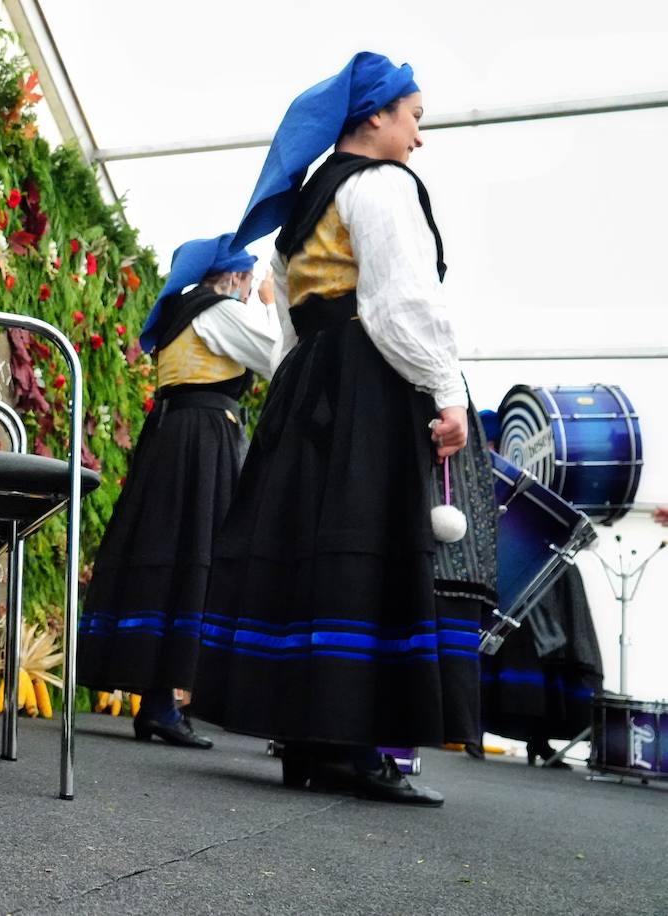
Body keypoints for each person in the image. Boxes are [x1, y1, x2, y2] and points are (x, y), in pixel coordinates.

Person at [188, 52, 498, 806]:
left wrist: (298, 391)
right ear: (376, 118)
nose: (419, 137)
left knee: (309, 548)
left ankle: (307, 737)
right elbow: (400, 306)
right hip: (368, 381)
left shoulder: (306, 205)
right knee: (368, 543)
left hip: (309, 385)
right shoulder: (384, 187)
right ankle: (352, 745)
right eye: (414, 117)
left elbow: (294, 318)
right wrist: (447, 388)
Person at [77, 234, 278, 748]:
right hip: (204, 443)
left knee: (167, 554)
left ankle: (158, 703)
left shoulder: (181, 313)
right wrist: (276, 309)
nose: (252, 289)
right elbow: (277, 357)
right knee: (196, 555)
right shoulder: (217, 311)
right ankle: (164, 705)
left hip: (170, 437)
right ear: (232, 277)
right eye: (249, 280)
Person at [480, 564, 603, 768]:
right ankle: (477, 731)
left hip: (555, 564)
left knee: (555, 658)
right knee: (508, 648)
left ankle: (539, 739)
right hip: (521, 559)